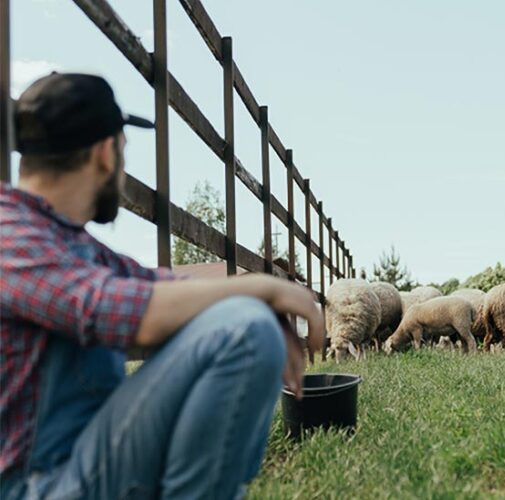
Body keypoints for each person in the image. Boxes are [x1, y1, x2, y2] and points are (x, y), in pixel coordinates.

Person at [0, 73, 324, 499]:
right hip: (35, 486)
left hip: (80, 464)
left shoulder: (66, 243)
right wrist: (264, 290)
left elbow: (158, 285)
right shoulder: (10, 233)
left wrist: (255, 298)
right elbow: (113, 307)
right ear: (105, 153)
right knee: (245, 330)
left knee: (242, 318)